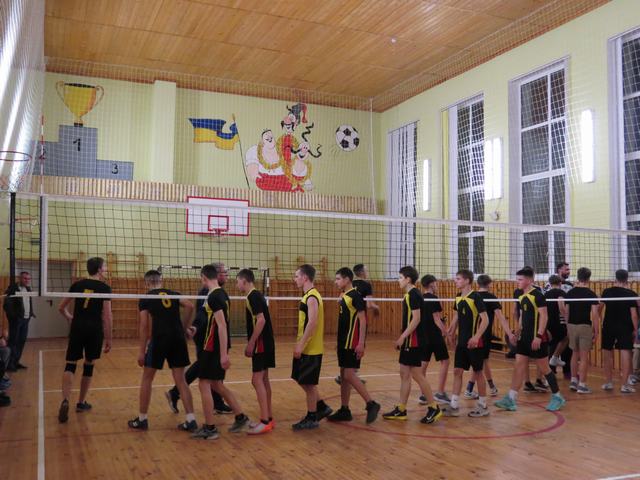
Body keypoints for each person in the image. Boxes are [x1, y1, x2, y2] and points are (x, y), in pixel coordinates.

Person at [128, 270, 197, 431]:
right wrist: (184, 328)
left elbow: (144, 326)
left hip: (159, 339)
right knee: (181, 380)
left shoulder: (146, 298)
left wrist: (141, 351)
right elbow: (190, 305)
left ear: (146, 283)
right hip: (178, 339)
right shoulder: (173, 294)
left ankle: (142, 419)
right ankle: (191, 419)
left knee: (147, 378)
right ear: (161, 280)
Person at [191, 264, 250, 440]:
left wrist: (223, 354)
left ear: (204, 278)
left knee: (204, 384)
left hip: (212, 347)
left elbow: (222, 326)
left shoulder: (214, 296)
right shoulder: (221, 294)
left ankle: (210, 428)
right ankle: (241, 417)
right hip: (214, 346)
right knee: (217, 385)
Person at [495, 267, 565, 412]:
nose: (517, 282)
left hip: (537, 338)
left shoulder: (537, 295)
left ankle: (557, 396)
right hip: (524, 338)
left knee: (545, 368)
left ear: (529, 280)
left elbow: (544, 316)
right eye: (517, 279)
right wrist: (517, 332)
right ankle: (511, 398)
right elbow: (522, 316)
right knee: (518, 366)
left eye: (520, 279)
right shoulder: (521, 296)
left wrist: (538, 336)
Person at [166, 262, 231, 414]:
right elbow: (202, 314)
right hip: (206, 337)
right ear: (216, 274)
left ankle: (216, 402)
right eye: (224, 272)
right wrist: (194, 327)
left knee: (209, 369)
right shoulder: (207, 291)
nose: (227, 275)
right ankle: (175, 393)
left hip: (211, 336)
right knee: (205, 368)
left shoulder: (217, 291)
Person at [383, 266, 442, 424]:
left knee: (416, 374)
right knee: (405, 373)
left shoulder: (413, 294)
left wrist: (402, 337)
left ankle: (433, 407)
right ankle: (401, 409)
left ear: (408, 279)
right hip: (411, 340)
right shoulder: (411, 294)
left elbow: (416, 319)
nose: (398, 280)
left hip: (413, 341)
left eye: (400, 277)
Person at [57, 257, 113, 423]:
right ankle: (81, 403)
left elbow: (61, 307)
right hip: (94, 330)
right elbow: (107, 316)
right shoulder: (104, 288)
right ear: (99, 269)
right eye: (105, 266)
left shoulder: (77, 285)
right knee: (89, 365)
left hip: (77, 327)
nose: (106, 269)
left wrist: (69, 317)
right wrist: (109, 339)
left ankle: (65, 400)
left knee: (70, 364)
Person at [328, 267, 380, 424]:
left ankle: (371, 403)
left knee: (349, 374)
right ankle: (344, 409)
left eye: (338, 279)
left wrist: (361, 343)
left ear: (347, 279)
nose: (336, 282)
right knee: (343, 374)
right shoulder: (344, 295)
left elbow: (362, 321)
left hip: (352, 341)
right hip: (343, 341)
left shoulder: (355, 296)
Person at [291, 264, 333, 430]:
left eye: (296, 276)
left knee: (308, 384)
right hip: (306, 346)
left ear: (305, 277)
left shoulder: (312, 297)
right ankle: (321, 406)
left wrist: (301, 345)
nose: (294, 279)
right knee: (300, 378)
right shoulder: (308, 295)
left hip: (311, 348)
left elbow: (312, 322)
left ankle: (312, 417)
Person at [443, 269, 490, 418]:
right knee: (457, 371)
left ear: (467, 281)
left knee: (478, 372)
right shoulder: (458, 297)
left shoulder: (475, 297)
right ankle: (454, 405)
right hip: (462, 342)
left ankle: (483, 406)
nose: (455, 281)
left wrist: (476, 337)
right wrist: (451, 331)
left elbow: (485, 320)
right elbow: (457, 316)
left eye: (458, 279)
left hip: (474, 342)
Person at [236, 268, 276, 434]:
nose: (237, 285)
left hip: (261, 344)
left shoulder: (253, 296)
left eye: (237, 281)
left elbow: (261, 321)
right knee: (264, 380)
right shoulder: (255, 295)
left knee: (256, 380)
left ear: (244, 281)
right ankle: (269, 419)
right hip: (266, 342)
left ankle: (265, 421)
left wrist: (251, 343)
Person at [466, 275, 514, 399]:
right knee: (479, 363)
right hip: (483, 335)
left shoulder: (472, 296)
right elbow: (501, 318)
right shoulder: (491, 298)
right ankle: (469, 389)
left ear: (477, 284)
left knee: (483, 361)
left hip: (472, 334)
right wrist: (509, 333)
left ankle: (491, 387)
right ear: (489, 284)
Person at [335, 263, 377, 386]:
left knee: (349, 349)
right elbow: (369, 304)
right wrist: (377, 307)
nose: (367, 272)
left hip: (347, 323)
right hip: (358, 321)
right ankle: (352, 375)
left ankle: (349, 374)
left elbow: (339, 300)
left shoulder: (350, 285)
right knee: (358, 346)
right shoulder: (366, 284)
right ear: (362, 273)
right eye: (366, 270)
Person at [599, 269, 638, 393]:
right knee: (626, 353)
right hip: (625, 327)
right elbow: (634, 315)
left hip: (608, 326)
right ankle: (624, 385)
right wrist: (636, 330)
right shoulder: (631, 294)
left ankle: (608, 383)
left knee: (607, 353)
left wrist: (600, 321)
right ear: (627, 280)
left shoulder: (607, 291)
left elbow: (599, 308)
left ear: (615, 279)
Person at [417, 275, 451, 405]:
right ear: (431, 284)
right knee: (445, 362)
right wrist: (446, 332)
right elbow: (437, 319)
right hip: (435, 336)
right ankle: (440, 393)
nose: (436, 286)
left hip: (423, 335)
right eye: (435, 284)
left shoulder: (420, 298)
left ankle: (423, 395)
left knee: (423, 364)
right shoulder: (433, 298)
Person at [565, 267, 599, 394]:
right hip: (584, 326)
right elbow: (595, 314)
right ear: (589, 278)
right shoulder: (591, 294)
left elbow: (567, 312)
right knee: (584, 357)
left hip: (572, 326)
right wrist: (596, 331)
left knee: (574, 354)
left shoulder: (570, 293)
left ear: (578, 277)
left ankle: (573, 381)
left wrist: (568, 327)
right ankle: (582, 385)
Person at [3, 271, 35, 371]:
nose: (27, 280)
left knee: (22, 341)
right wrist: (13, 316)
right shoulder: (12, 288)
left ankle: (16, 362)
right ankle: (9, 364)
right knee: (13, 341)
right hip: (16, 320)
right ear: (19, 278)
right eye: (25, 278)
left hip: (26, 319)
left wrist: (31, 313)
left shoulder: (28, 289)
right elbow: (6, 305)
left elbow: (28, 302)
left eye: (28, 279)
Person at [546, 275, 568, 369]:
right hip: (558, 322)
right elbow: (561, 307)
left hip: (547, 323)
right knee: (566, 338)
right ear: (560, 283)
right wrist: (567, 320)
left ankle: (549, 366)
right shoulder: (561, 292)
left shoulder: (546, 294)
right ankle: (555, 358)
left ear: (550, 283)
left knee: (549, 344)